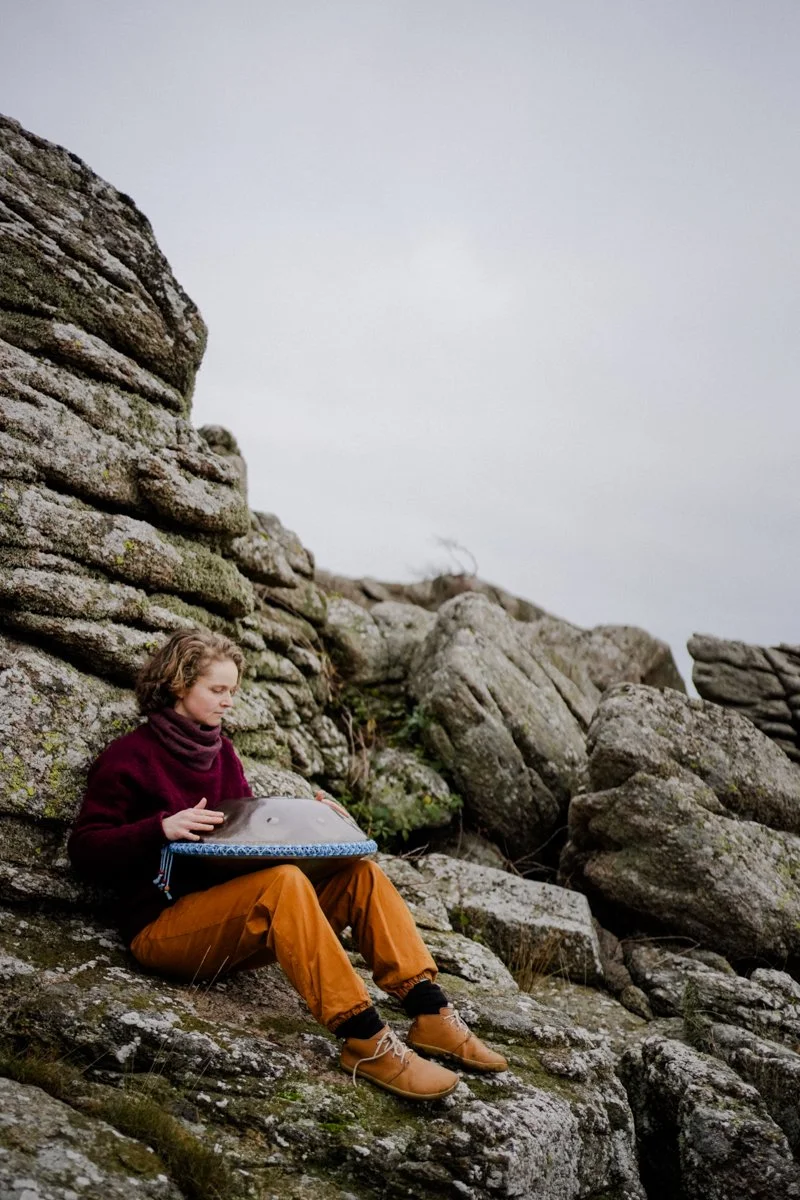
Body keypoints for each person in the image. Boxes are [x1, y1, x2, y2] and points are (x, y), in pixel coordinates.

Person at [68, 628, 507, 1101]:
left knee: (359, 875)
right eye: (217, 690)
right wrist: (160, 827)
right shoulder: (129, 757)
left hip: (229, 924)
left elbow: (249, 839)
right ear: (179, 684)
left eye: (233, 691)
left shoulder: (224, 754)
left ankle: (430, 1013)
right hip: (161, 931)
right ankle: (366, 1041)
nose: (228, 702)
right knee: (281, 884)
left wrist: (325, 825)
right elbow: (85, 851)